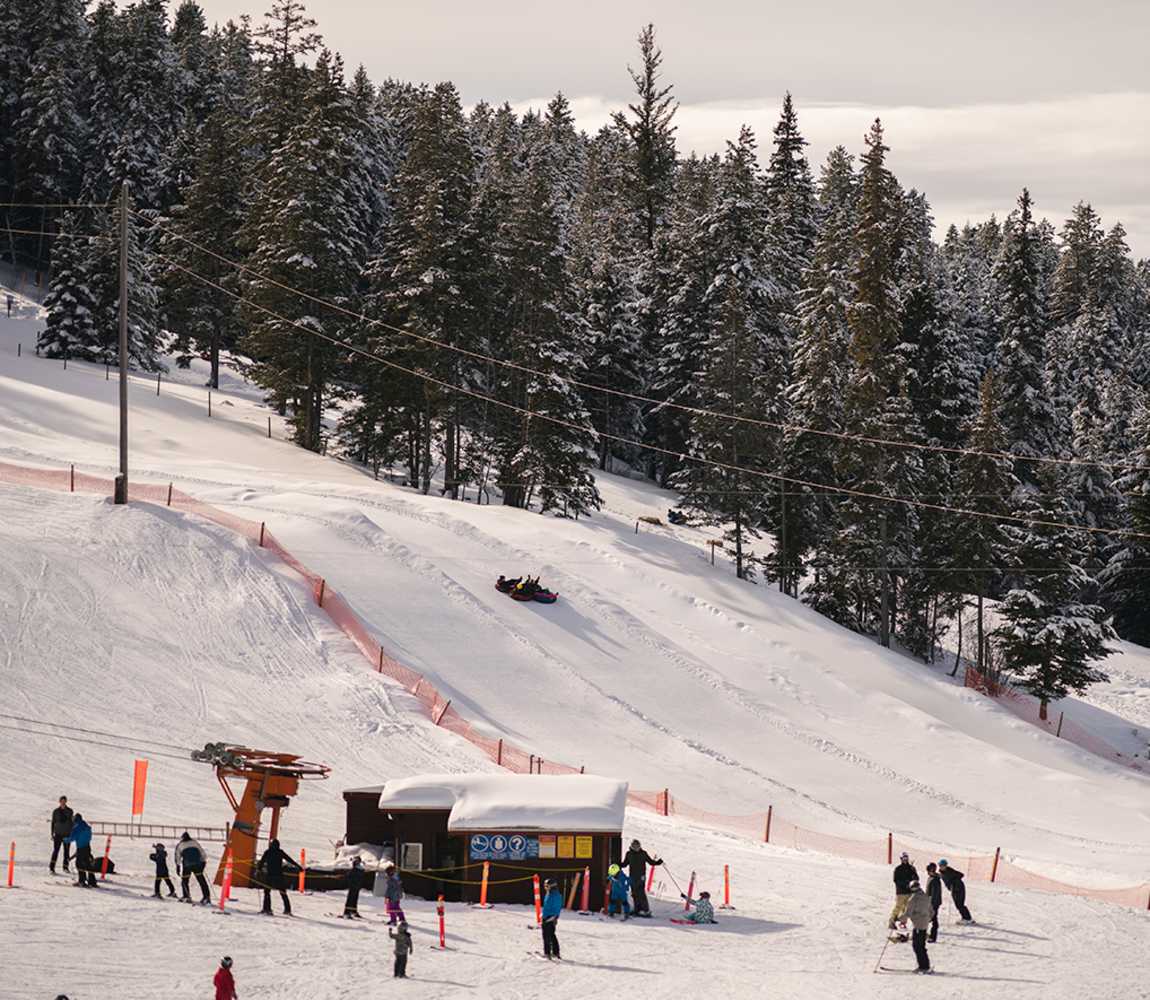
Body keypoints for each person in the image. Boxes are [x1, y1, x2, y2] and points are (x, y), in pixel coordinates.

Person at [256, 838, 300, 915]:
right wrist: (298, 866)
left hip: (270, 875)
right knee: (283, 892)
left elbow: (261, 862)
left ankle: (267, 909)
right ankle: (287, 910)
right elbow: (289, 859)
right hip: (279, 875)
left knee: (267, 892)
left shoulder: (268, 852)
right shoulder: (280, 852)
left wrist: (258, 870)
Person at [621, 839, 663, 917]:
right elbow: (625, 864)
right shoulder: (629, 854)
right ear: (632, 846)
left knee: (641, 893)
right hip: (632, 876)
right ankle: (637, 909)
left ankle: (646, 910)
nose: (636, 848)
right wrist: (618, 864)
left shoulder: (643, 854)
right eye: (635, 846)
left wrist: (657, 862)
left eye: (638, 846)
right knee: (634, 893)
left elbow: (650, 862)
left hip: (641, 877)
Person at [904, 880, 934, 974]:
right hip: (924, 924)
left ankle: (923, 966)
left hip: (918, 924)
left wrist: (898, 919)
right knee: (921, 945)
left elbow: (908, 912)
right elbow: (932, 911)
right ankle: (925, 964)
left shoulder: (913, 898)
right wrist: (928, 918)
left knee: (917, 946)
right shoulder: (925, 896)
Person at [176, 832, 211, 904]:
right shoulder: (194, 842)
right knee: (201, 881)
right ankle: (206, 897)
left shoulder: (180, 845)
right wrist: (203, 862)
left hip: (187, 866)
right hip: (197, 865)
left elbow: (178, 856)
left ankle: (186, 896)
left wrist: (178, 866)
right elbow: (202, 852)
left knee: (185, 881)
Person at [888, 852, 918, 931]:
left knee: (906, 909)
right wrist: (906, 883)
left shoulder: (911, 868)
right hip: (901, 892)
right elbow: (896, 880)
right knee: (898, 907)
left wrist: (913, 875)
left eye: (906, 858)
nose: (905, 860)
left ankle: (903, 923)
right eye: (903, 858)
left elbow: (916, 878)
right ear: (901, 859)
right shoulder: (898, 869)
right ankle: (892, 921)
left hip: (909, 892)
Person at [64, 813, 96, 887]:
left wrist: (65, 840)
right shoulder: (87, 826)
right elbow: (90, 837)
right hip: (87, 847)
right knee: (88, 864)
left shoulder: (77, 828)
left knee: (79, 864)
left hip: (81, 848)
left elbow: (72, 838)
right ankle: (92, 881)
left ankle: (82, 881)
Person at [50, 796, 74, 874]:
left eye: (64, 801)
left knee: (66, 851)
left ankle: (65, 867)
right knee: (56, 851)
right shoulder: (56, 811)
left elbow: (71, 823)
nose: (63, 802)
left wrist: (72, 833)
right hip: (58, 834)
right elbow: (53, 823)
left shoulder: (70, 811)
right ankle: (52, 867)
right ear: (59, 802)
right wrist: (52, 833)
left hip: (67, 834)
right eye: (61, 801)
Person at [541, 877, 563, 960]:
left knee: (546, 935)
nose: (545, 888)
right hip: (551, 917)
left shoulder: (552, 896)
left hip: (549, 917)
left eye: (547, 886)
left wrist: (547, 917)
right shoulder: (554, 894)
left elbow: (551, 907)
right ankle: (555, 951)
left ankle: (547, 953)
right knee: (551, 934)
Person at [925, 862, 943, 942]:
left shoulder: (935, 880)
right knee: (928, 919)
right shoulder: (931, 878)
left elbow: (934, 894)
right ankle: (926, 934)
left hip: (933, 903)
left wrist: (931, 905)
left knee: (933, 919)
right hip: (930, 902)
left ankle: (933, 936)